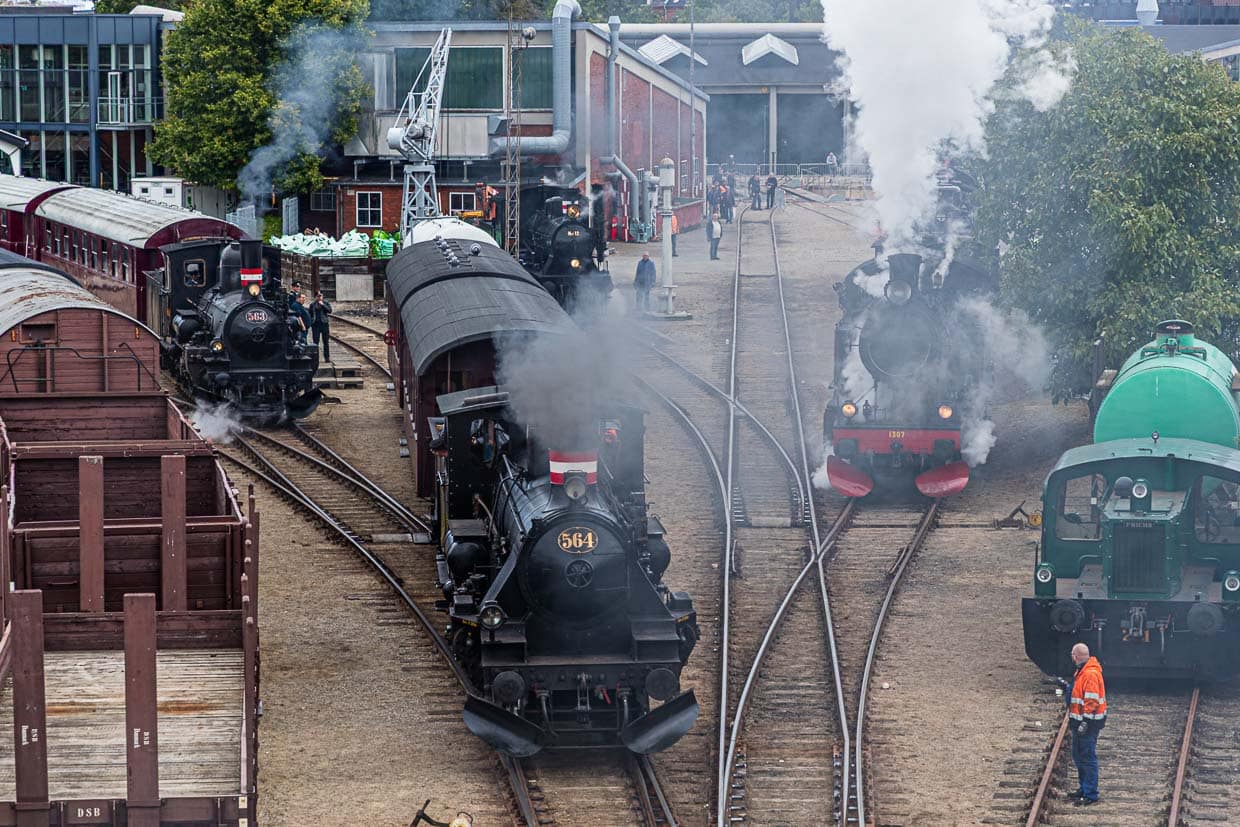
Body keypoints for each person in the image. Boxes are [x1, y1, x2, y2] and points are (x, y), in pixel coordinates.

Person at [1059, 643, 1106, 806]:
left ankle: (1090, 793)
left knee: (1087, 757)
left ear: (1076, 656)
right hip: (1080, 722)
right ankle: (1084, 788)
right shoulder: (1083, 671)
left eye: (1073, 654)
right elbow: (1079, 693)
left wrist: (1085, 722)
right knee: (1079, 755)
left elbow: (1091, 700)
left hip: (1087, 724)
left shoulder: (1090, 673)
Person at [309, 291, 332, 361]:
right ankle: (316, 358)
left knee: (326, 341)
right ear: (316, 297)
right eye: (318, 296)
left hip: (324, 324)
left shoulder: (326, 303)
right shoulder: (312, 304)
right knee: (315, 342)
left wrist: (323, 305)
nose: (320, 297)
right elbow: (310, 313)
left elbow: (330, 310)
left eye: (321, 296)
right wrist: (312, 321)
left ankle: (327, 357)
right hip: (316, 325)